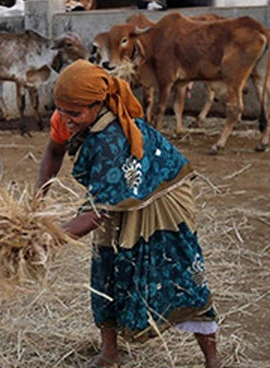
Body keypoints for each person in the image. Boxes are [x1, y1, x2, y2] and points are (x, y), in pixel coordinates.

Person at [36, 60, 220, 368]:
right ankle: (109, 354)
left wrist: (47, 240)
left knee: (181, 273)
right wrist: (36, 199)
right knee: (106, 267)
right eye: (62, 111)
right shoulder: (67, 115)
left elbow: (96, 214)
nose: (66, 121)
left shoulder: (112, 140)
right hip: (118, 197)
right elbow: (54, 151)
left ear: (97, 106)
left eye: (75, 114)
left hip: (163, 197)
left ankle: (212, 360)